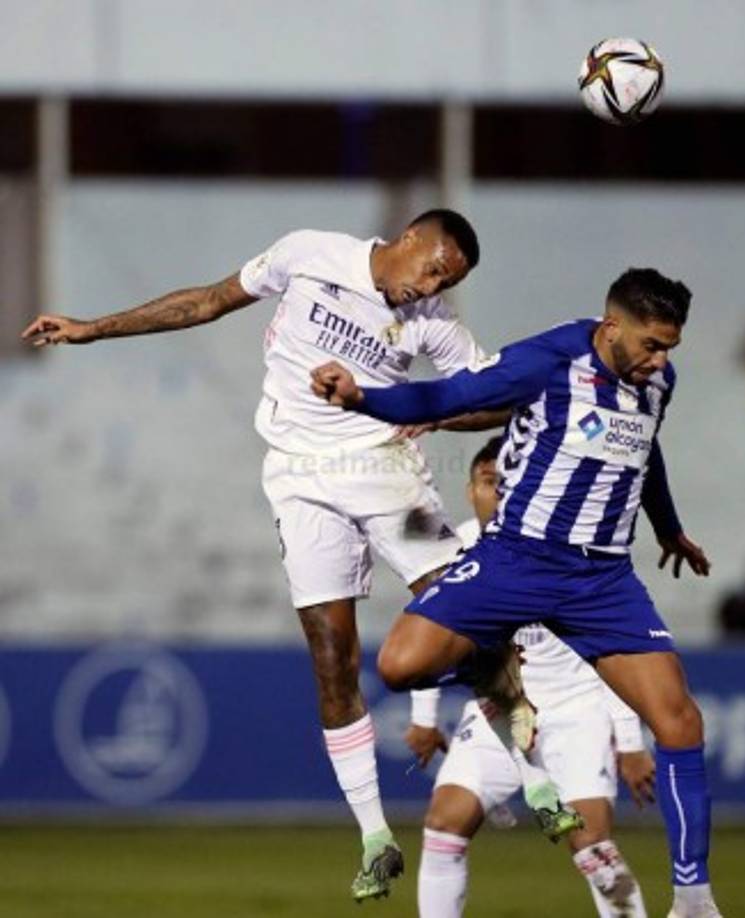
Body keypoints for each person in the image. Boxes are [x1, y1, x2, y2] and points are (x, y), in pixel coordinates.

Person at [22, 209, 546, 902]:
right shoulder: (309, 253)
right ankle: (373, 838)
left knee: (466, 605)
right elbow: (207, 301)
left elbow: (496, 400)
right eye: (433, 268)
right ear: (411, 239)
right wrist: (94, 328)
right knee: (331, 654)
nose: (431, 286)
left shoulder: (435, 324)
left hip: (383, 469)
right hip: (298, 478)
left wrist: (432, 410)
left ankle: (534, 772)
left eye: (445, 281)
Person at [311, 267, 723, 918]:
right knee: (397, 665)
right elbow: (448, 396)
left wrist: (668, 529)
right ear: (612, 327)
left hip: (602, 578)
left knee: (681, 721)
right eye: (651, 344)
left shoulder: (656, 381)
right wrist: (361, 397)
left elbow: (647, 451)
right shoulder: (551, 360)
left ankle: (694, 900)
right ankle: (497, 677)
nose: (662, 359)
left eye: (670, 346)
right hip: (519, 557)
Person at [409, 437, 654, 917]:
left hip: (575, 712)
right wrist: (422, 716)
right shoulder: (456, 551)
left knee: (593, 849)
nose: (497, 493)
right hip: (497, 714)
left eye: (507, 484)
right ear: (470, 489)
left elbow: (615, 648)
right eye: (487, 482)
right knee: (443, 825)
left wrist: (629, 739)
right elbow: (429, 634)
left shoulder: (567, 547)